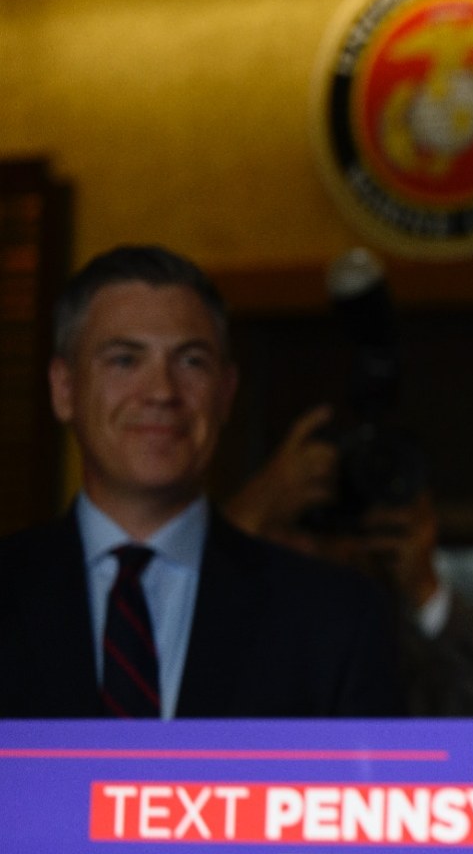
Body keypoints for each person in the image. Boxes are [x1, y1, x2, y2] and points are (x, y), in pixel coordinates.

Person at [0, 246, 399, 717]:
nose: (162, 392)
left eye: (191, 362)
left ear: (226, 393)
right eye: (125, 360)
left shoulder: (336, 619)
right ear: (64, 389)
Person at [227, 407, 473, 717]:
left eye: (332, 530)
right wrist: (239, 525)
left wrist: (426, 592)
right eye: (297, 525)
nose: (309, 548)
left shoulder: (392, 649)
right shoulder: (232, 627)